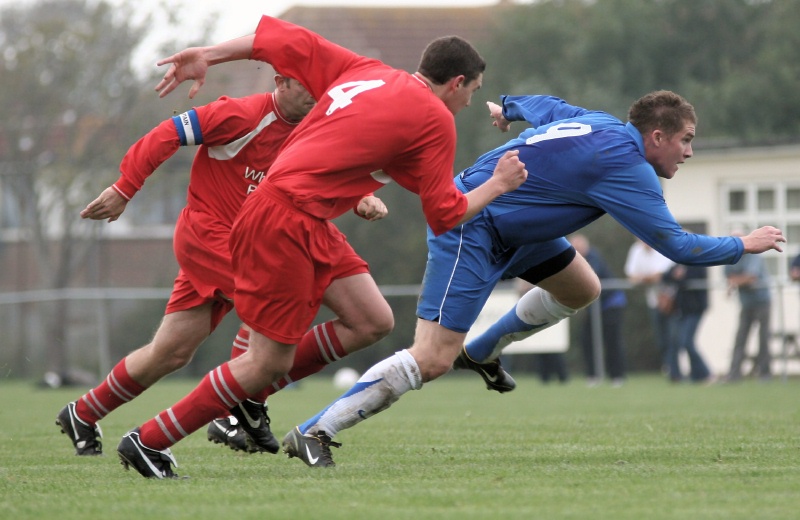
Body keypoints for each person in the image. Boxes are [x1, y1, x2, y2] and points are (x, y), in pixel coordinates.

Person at [115, 16, 527, 479]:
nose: (471, 101)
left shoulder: (367, 70)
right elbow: (445, 213)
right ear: (456, 83)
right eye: (473, 91)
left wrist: (207, 54)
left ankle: (249, 393)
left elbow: (277, 39)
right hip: (284, 218)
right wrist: (498, 184)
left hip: (303, 217)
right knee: (267, 361)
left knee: (372, 319)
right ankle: (149, 440)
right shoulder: (435, 119)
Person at [283, 90, 785, 467]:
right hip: (472, 224)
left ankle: (480, 352)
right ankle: (313, 431)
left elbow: (547, 106)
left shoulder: (597, 123)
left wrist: (507, 106)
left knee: (581, 287)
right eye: (686, 141)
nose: (689, 152)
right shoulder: (627, 165)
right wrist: (745, 243)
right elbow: (677, 246)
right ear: (657, 137)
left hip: (516, 228)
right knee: (431, 357)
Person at [55, 72, 388, 457]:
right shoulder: (241, 115)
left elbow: (322, 173)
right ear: (281, 82)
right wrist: (124, 187)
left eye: (322, 86)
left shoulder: (318, 126)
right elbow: (166, 133)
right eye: (307, 85)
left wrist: (360, 196)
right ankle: (235, 410)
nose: (318, 94)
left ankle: (83, 412)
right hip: (213, 238)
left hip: (264, 241)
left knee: (171, 352)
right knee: (276, 298)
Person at [570, 234, 627, 387]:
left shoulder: (593, 257)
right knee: (587, 340)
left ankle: (617, 376)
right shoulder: (574, 260)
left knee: (612, 341)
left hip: (611, 304)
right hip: (593, 307)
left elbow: (588, 279)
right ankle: (592, 375)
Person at [724, 233, 773, 382]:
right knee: (740, 338)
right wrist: (738, 280)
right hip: (746, 302)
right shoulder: (730, 257)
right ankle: (734, 374)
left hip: (762, 300)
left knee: (763, 338)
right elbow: (728, 277)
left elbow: (751, 277)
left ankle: (765, 374)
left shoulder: (753, 254)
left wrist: (736, 281)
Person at [624, 238, 675, 370]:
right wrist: (648, 278)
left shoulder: (662, 247)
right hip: (653, 300)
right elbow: (631, 277)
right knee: (661, 338)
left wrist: (643, 278)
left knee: (673, 337)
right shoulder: (636, 250)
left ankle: (674, 368)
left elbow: (660, 275)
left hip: (671, 300)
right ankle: (669, 367)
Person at [661, 263, 713, 383]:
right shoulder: (679, 261)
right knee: (673, 342)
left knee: (686, 342)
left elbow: (691, 279)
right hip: (680, 310)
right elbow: (666, 276)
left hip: (695, 309)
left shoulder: (699, 262)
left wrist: (682, 276)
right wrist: (676, 275)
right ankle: (676, 375)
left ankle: (704, 373)